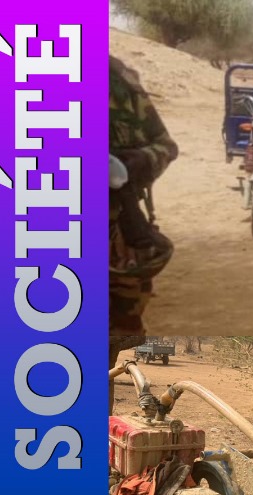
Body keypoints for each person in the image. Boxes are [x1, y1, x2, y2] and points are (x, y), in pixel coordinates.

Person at [109, 56, 179, 336]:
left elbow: (165, 145)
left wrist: (141, 160)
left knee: (120, 336)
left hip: (119, 246)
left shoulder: (118, 78)